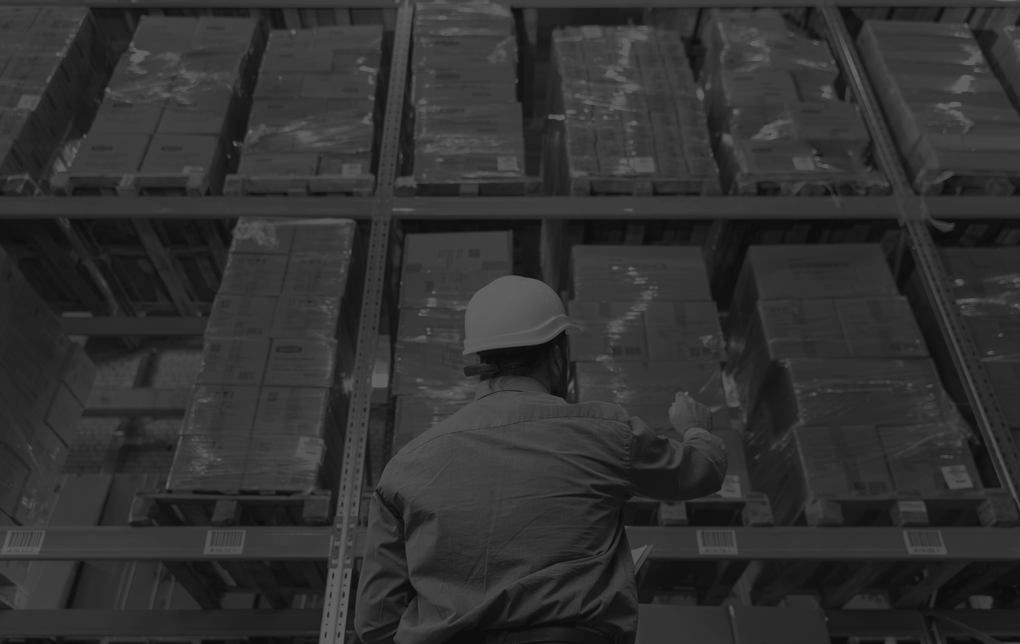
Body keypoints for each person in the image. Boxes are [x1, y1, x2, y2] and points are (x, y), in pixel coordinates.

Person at [355, 275, 728, 644]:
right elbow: (701, 471)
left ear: (481, 359)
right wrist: (695, 428)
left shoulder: (404, 468)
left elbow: (376, 623)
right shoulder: (604, 431)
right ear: (556, 355)